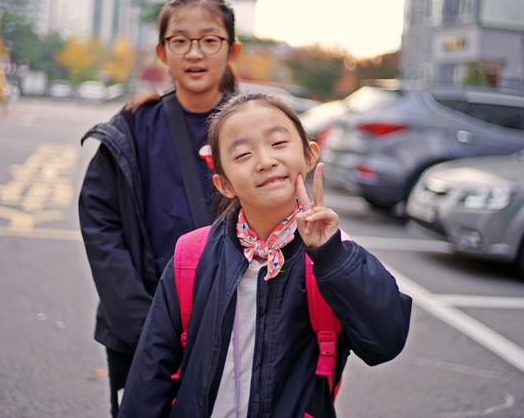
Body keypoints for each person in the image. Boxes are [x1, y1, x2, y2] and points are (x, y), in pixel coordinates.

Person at [118, 93, 413, 418]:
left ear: (309, 156)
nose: (265, 161)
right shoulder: (192, 256)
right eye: (243, 154)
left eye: (278, 143)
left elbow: (385, 342)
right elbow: (150, 372)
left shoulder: (335, 254)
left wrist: (329, 256)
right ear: (224, 184)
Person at [79, 0, 242, 418]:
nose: (194, 53)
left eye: (209, 40)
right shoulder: (134, 125)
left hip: (235, 330)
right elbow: (100, 223)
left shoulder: (253, 128)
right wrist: (143, 325)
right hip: (141, 329)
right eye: (180, 41)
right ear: (162, 52)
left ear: (232, 49)